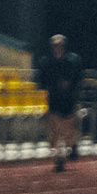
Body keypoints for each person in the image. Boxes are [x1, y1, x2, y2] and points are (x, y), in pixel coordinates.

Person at [33, 32, 84, 171]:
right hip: (54, 99)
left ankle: (72, 145)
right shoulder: (46, 62)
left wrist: (72, 91)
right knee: (55, 130)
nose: (57, 47)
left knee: (67, 130)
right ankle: (59, 157)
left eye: (59, 45)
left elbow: (79, 79)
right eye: (55, 45)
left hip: (69, 100)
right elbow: (41, 82)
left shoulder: (73, 61)